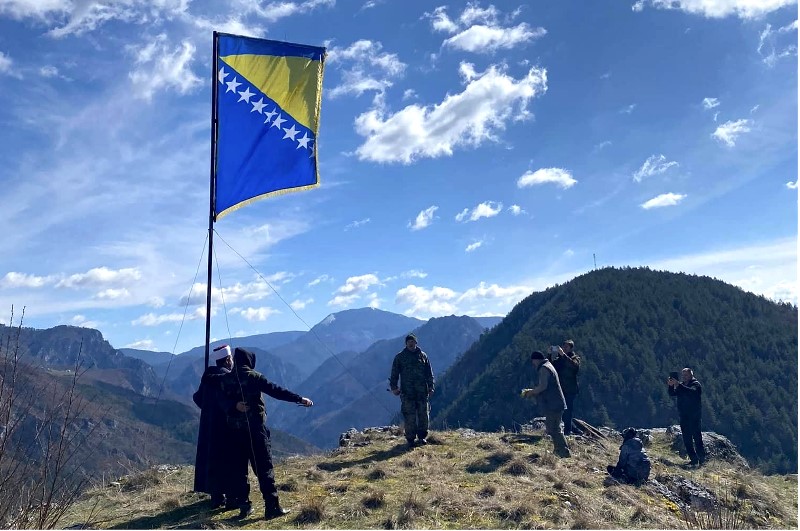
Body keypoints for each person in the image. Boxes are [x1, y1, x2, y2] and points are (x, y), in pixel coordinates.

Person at [210, 347, 313, 520]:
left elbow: (218, 397)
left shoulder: (225, 379)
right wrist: (299, 399)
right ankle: (272, 506)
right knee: (264, 468)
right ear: (249, 361)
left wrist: (233, 406)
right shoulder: (254, 377)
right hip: (255, 430)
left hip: (234, 431)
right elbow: (276, 390)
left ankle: (244, 507)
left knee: (239, 470)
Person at [192, 344, 234, 508]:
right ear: (228, 360)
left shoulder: (208, 377)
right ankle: (230, 494)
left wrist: (208, 408)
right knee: (227, 459)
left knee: (211, 458)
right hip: (225, 425)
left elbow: (197, 398)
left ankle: (216, 496)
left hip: (208, 425)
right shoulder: (227, 378)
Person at [521, 351, 571, 458]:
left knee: (554, 428)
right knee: (552, 427)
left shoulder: (544, 368)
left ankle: (564, 451)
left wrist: (531, 392)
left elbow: (543, 386)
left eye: (533, 361)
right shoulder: (548, 365)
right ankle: (558, 450)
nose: (533, 364)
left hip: (554, 403)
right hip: (555, 402)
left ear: (536, 359)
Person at [389, 333, 435, 448]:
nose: (411, 343)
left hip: (422, 392)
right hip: (407, 392)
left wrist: (431, 387)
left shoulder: (423, 356)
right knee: (409, 416)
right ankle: (410, 439)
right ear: (406, 343)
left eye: (412, 341)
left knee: (423, 415)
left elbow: (429, 373)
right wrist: (394, 387)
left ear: (416, 343)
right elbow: (394, 373)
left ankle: (422, 437)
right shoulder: (400, 357)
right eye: (409, 342)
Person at [668, 367, 706, 467]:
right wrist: (671, 386)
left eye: (686, 375)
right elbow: (672, 393)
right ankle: (693, 459)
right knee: (686, 438)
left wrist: (678, 385)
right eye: (683, 375)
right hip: (684, 415)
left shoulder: (696, 384)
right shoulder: (682, 385)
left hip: (694, 415)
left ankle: (702, 460)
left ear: (691, 375)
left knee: (697, 437)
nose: (684, 377)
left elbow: (692, 392)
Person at [550, 339, 581, 435]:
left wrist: (563, 355)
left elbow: (574, 367)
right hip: (561, 389)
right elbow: (550, 366)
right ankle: (573, 429)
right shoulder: (559, 360)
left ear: (571, 348)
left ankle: (568, 431)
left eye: (566, 347)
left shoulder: (575, 358)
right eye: (563, 346)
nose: (564, 348)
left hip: (570, 389)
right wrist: (549, 355)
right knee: (561, 410)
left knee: (568, 410)